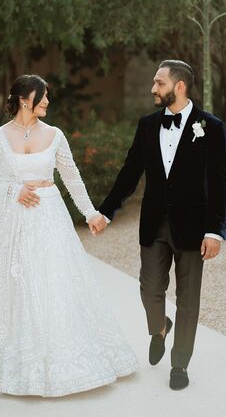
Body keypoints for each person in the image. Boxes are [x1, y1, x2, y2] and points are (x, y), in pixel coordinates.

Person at [0, 74, 137, 397]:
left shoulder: (55, 135)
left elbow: (71, 176)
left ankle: (58, 354)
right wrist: (14, 190)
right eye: (43, 96)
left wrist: (91, 213)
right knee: (12, 285)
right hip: (10, 223)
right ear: (25, 98)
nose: (48, 102)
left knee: (50, 282)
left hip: (49, 219)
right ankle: (11, 355)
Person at [93, 60, 226, 390]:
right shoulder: (148, 125)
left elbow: (220, 181)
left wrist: (215, 230)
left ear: (179, 86)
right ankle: (160, 326)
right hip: (154, 223)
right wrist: (106, 211)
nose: (153, 88)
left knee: (189, 298)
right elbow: (130, 172)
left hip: (194, 227)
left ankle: (179, 364)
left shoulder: (211, 127)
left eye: (159, 83)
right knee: (149, 288)